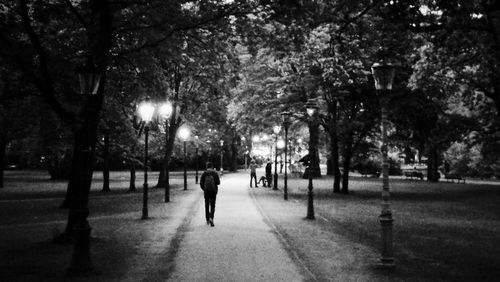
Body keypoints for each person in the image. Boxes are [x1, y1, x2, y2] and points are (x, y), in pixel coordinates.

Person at [200, 162, 220, 227]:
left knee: (207, 205)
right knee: (213, 205)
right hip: (213, 191)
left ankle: (207, 219)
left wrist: (204, 189)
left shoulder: (204, 173)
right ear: (212, 166)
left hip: (206, 191)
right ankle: (211, 217)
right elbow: (218, 182)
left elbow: (201, 183)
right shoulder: (214, 173)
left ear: (206, 167)